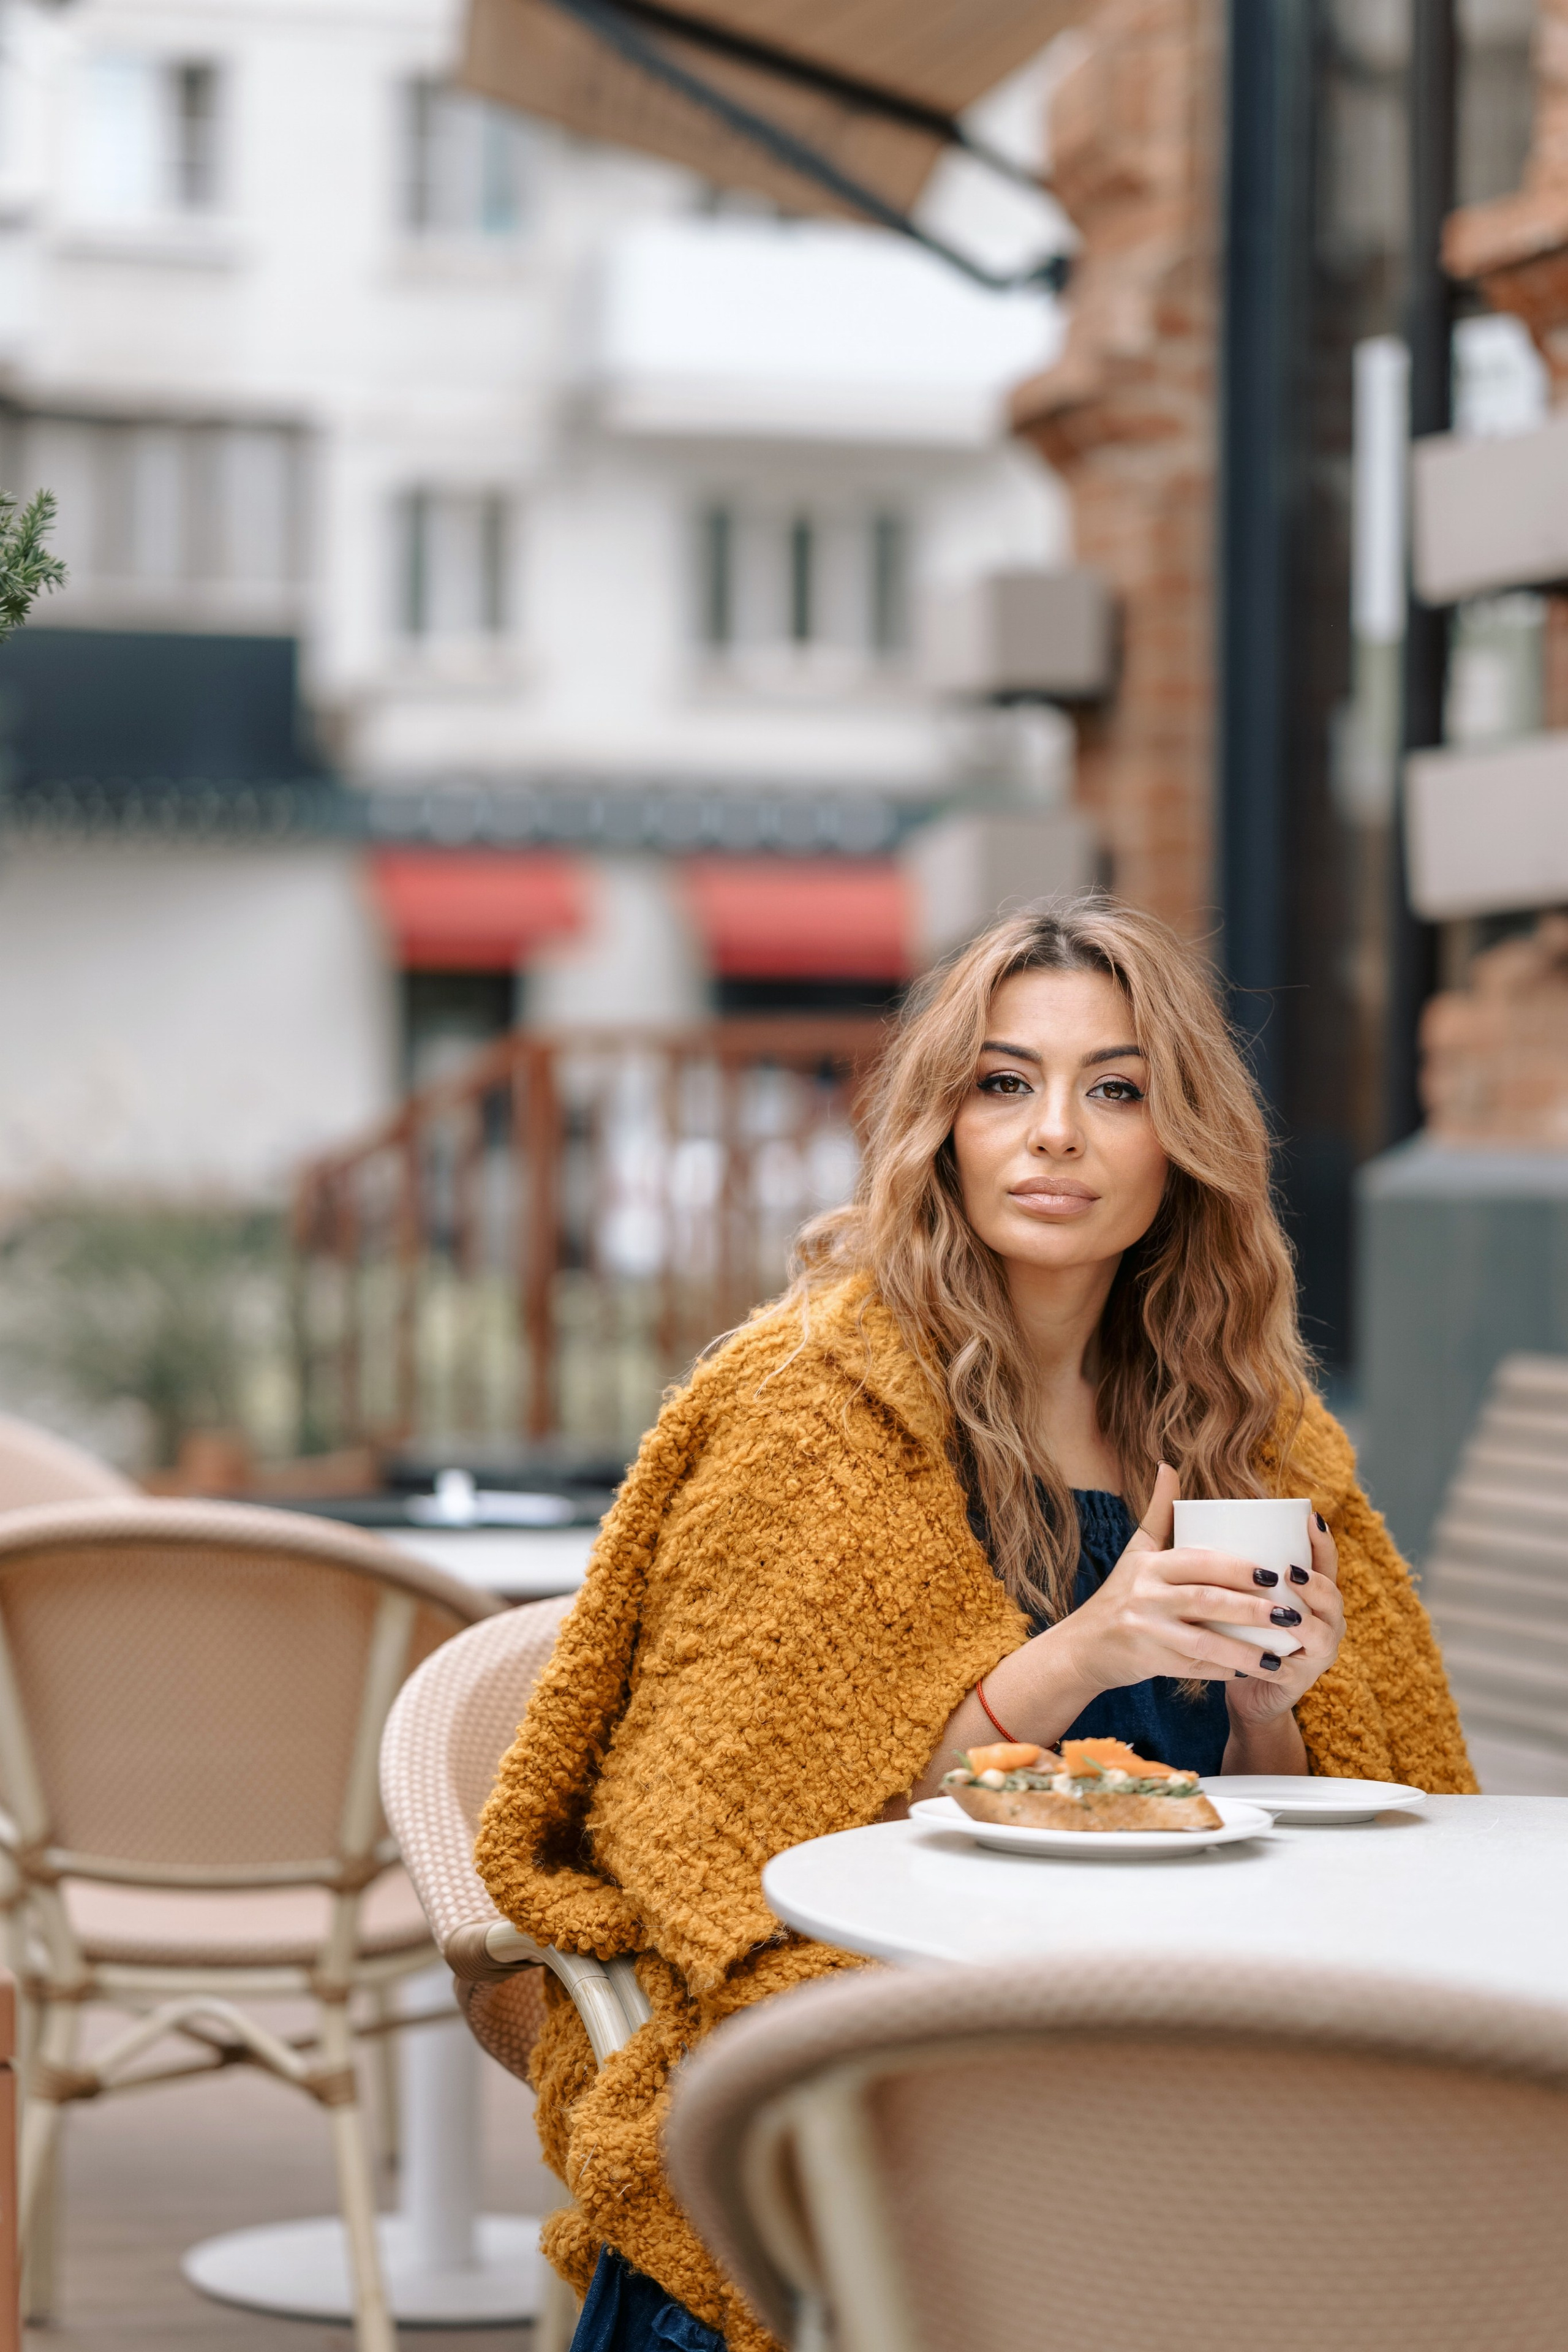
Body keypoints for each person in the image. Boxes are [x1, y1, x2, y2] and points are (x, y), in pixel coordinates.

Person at [476, 897, 1476, 2352]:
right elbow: (755, 1844)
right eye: (1003, 1083)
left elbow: (1342, 1842)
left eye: (1114, 1089)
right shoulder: (811, 1409)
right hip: (909, 2029)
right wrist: (1089, 1648)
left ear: (1178, 1144)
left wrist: (1271, 1702)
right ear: (939, 1124)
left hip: (1180, 2021)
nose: (1053, 1131)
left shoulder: (1253, 1432)